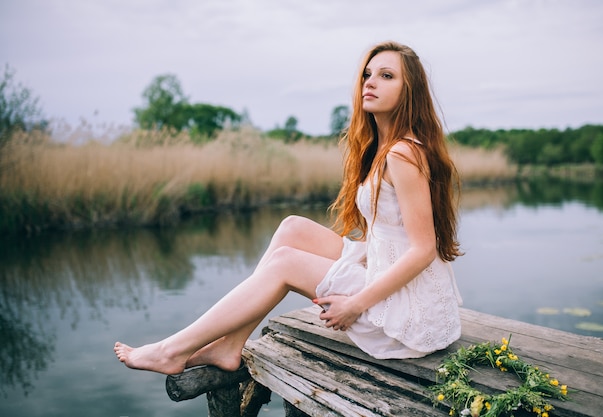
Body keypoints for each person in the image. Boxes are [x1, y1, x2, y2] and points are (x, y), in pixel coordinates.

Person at [114, 40, 463, 375]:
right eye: (366, 75)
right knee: (292, 227)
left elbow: (422, 249)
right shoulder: (382, 148)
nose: (370, 82)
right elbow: (390, 235)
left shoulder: (403, 153)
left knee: (285, 264)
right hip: (386, 273)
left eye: (386, 76)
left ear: (409, 90)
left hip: (408, 318)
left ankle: (171, 351)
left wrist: (355, 303)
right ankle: (230, 344)